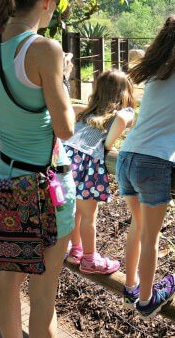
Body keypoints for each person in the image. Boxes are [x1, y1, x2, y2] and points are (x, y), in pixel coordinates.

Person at [0, 0, 74, 338]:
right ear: (46, 1)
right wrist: (60, 79)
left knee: (8, 285)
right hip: (47, 191)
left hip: (7, 183)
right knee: (44, 297)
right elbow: (64, 128)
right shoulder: (45, 50)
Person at [116, 15, 175, 319]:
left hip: (126, 156)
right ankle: (146, 300)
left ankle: (131, 284)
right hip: (153, 164)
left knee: (137, 225)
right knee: (151, 238)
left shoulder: (154, 74)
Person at [64, 69, 136, 274]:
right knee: (88, 216)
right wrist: (109, 144)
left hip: (65, 163)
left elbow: (68, 107)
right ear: (124, 93)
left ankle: (76, 249)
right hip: (85, 166)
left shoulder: (87, 112)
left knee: (75, 212)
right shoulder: (119, 114)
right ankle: (89, 259)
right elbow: (123, 118)